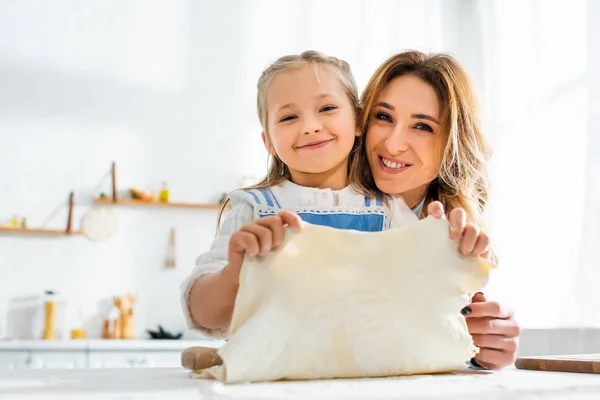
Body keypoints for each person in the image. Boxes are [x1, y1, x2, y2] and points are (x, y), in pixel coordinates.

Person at [180, 51, 418, 338]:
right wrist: (234, 274)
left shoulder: (388, 210)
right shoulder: (253, 210)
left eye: (327, 108)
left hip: (365, 377)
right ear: (268, 142)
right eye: (289, 116)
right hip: (273, 380)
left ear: (357, 121)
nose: (310, 126)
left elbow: (423, 292)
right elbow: (203, 314)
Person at [349, 50, 520, 370]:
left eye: (423, 127)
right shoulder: (323, 206)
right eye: (383, 117)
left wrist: (484, 343)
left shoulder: (458, 232)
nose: (394, 144)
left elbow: (451, 340)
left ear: (454, 143)